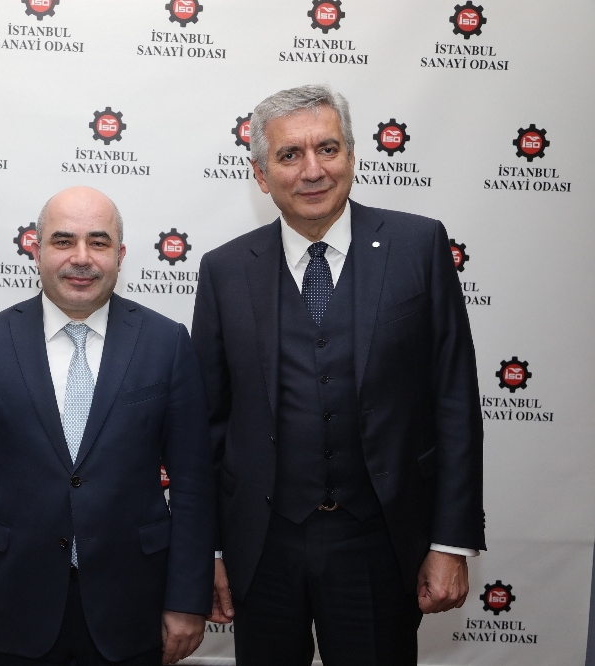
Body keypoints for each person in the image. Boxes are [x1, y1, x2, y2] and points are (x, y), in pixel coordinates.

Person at [191, 85, 485, 664]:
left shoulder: (418, 246)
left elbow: (454, 399)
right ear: (261, 174)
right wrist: (212, 550)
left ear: (351, 155)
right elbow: (208, 425)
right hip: (262, 547)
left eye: (327, 148)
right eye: (289, 155)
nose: (312, 170)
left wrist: (451, 541)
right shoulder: (224, 270)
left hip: (380, 543)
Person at [0, 186, 215, 666]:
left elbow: (193, 484)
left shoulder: (166, 343)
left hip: (134, 603)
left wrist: (188, 599)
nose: (81, 258)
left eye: (99, 242)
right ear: (36, 250)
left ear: (120, 255)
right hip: (12, 601)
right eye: (63, 241)